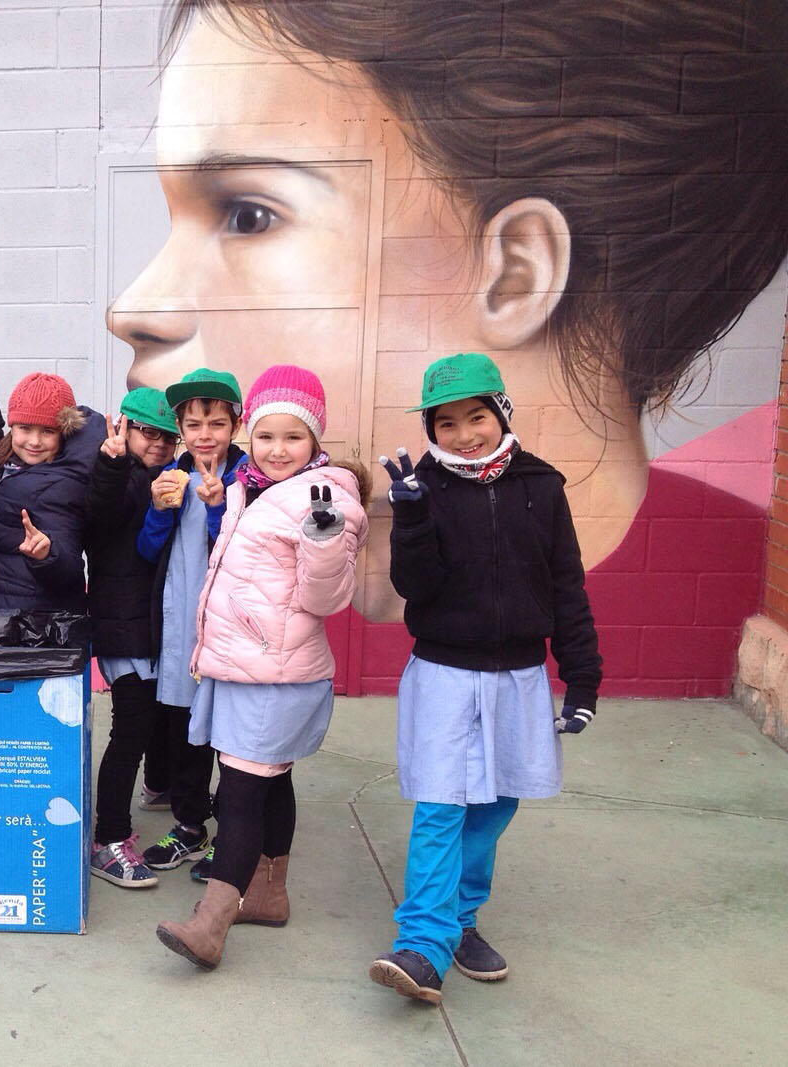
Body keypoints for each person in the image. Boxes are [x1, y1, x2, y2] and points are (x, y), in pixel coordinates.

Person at [110, 0, 788, 630]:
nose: (131, 310)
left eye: (249, 216)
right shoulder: (226, 499)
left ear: (517, 275)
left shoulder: (699, 569)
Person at [368, 353, 601, 1005]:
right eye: (446, 423)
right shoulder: (422, 488)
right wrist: (412, 520)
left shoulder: (542, 486)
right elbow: (415, 587)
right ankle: (422, 944)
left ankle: (461, 918)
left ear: (502, 413)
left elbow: (567, 586)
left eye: (477, 416)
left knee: (497, 802)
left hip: (519, 676)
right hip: (443, 673)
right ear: (431, 430)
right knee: (442, 805)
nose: (465, 434)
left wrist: (582, 680)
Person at [153, 367, 368, 969]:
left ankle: (211, 923)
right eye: (266, 436)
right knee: (271, 782)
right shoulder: (250, 487)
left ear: (315, 439)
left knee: (242, 794)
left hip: (275, 674)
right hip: (245, 665)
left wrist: (324, 544)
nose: (276, 450)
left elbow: (328, 599)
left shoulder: (325, 500)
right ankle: (269, 896)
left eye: (292, 437)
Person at [135, 368, 245, 873]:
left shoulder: (248, 478)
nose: (205, 435)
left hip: (233, 630)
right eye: (194, 424)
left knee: (232, 736)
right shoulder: (172, 475)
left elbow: (245, 555)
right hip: (181, 628)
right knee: (185, 729)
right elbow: (147, 550)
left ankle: (235, 832)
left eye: (216, 424)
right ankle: (190, 825)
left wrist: (220, 508)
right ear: (180, 428)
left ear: (236, 425)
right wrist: (159, 510)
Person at [85, 387, 181, 889]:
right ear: (123, 427)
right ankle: (109, 838)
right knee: (130, 733)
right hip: (124, 626)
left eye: (168, 436)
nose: (159, 444)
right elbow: (100, 513)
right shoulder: (118, 474)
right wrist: (112, 461)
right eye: (148, 432)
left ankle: (158, 788)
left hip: (154, 624)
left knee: (159, 720)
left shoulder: (164, 476)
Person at [0, 371, 105, 611]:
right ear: (12, 428)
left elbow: (70, 565)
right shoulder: (8, 465)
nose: (34, 441)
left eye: (48, 431)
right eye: (25, 428)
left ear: (64, 434)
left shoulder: (61, 485)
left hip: (33, 620)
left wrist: (47, 554)